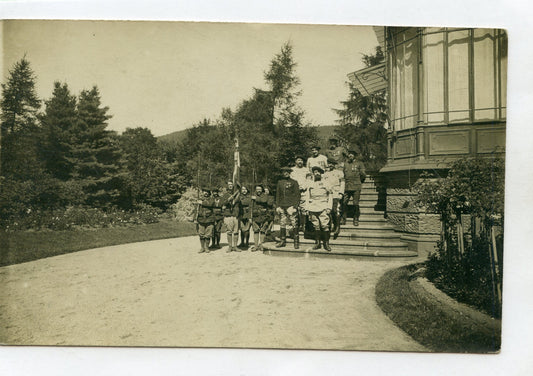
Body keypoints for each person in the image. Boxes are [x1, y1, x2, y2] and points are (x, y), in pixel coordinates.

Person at [305, 166, 333, 252]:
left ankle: (326, 243)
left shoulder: (326, 183)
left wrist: (329, 207)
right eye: (315, 172)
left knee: (325, 225)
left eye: (318, 172)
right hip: (313, 206)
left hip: (323, 205)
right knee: (316, 225)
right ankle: (317, 243)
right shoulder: (310, 183)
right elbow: (307, 196)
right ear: (313, 174)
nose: (316, 173)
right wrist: (307, 208)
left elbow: (330, 195)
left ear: (321, 173)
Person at [275, 166, 300, 249]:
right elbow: (278, 195)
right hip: (282, 206)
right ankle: (282, 241)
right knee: (282, 223)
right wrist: (277, 206)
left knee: (294, 223)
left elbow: (297, 195)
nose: (285, 173)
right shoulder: (279, 182)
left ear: (290, 173)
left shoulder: (294, 182)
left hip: (291, 206)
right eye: (284, 172)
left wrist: (295, 206)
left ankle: (296, 242)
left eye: (287, 172)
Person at [342, 149, 366, 226]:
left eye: (352, 154)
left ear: (355, 155)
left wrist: (359, 182)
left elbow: (363, 175)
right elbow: (343, 174)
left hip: (356, 186)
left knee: (355, 203)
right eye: (349, 154)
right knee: (344, 202)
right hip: (347, 186)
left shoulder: (359, 163)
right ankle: (343, 218)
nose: (350, 155)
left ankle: (356, 218)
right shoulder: (345, 164)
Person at [324, 159, 345, 239]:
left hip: (336, 193)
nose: (330, 165)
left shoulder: (339, 173)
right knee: (329, 210)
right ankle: (331, 225)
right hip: (328, 195)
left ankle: (337, 227)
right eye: (329, 163)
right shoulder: (325, 174)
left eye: (332, 164)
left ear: (335, 165)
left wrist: (341, 193)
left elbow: (342, 183)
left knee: (336, 210)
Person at [290, 156, 311, 237]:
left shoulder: (306, 170)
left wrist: (303, 187)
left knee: (304, 210)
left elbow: (309, 180)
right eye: (298, 160)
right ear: (295, 161)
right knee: (294, 210)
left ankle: (304, 226)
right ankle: (295, 227)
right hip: (294, 192)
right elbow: (291, 180)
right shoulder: (292, 170)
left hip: (304, 192)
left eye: (301, 160)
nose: (300, 161)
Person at [221, 181, 240, 253]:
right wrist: (229, 199)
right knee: (229, 231)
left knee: (236, 231)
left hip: (235, 215)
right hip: (228, 215)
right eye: (229, 185)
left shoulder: (238, 194)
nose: (230, 186)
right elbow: (222, 204)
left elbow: (239, 203)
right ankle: (230, 246)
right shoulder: (225, 195)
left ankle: (235, 246)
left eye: (232, 184)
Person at [250, 184, 270, 252]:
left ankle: (261, 245)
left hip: (263, 216)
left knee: (263, 231)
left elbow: (264, 200)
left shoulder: (265, 195)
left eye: (260, 189)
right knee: (255, 231)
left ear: (262, 190)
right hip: (255, 216)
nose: (258, 190)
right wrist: (250, 217)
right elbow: (251, 207)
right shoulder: (252, 196)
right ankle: (256, 246)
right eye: (257, 189)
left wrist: (256, 198)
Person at [195, 187, 215, 253]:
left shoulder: (212, 199)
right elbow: (196, 210)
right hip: (201, 219)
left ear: (209, 193)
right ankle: (202, 247)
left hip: (209, 219)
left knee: (208, 234)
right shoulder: (199, 199)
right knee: (201, 234)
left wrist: (202, 203)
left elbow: (210, 204)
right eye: (204, 191)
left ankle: (207, 247)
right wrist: (195, 218)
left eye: (207, 192)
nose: (205, 193)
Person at [238, 185, 252, 249]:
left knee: (247, 229)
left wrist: (250, 216)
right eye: (243, 189)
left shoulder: (250, 197)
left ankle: (247, 242)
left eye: (245, 189)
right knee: (241, 229)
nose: (244, 191)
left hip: (247, 214)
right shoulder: (239, 196)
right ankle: (242, 242)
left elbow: (247, 203)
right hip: (241, 214)